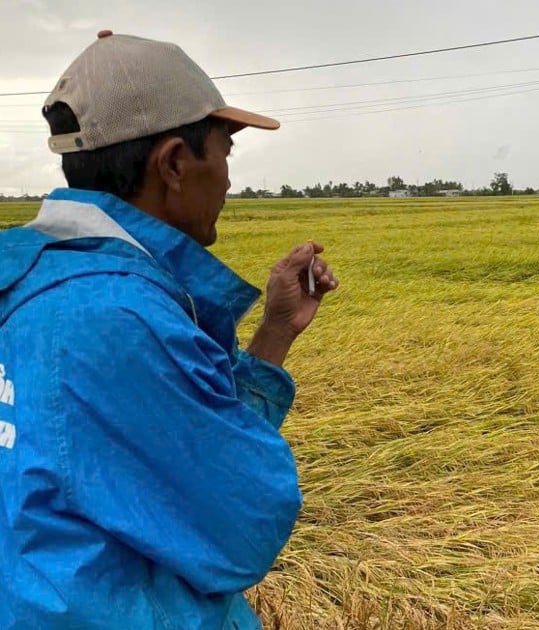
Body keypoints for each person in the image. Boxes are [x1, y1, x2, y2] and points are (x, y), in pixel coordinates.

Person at [0, 31, 338, 629]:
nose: (230, 180)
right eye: (226, 151)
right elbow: (241, 520)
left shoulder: (25, 274)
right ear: (176, 163)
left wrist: (276, 332)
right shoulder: (117, 317)